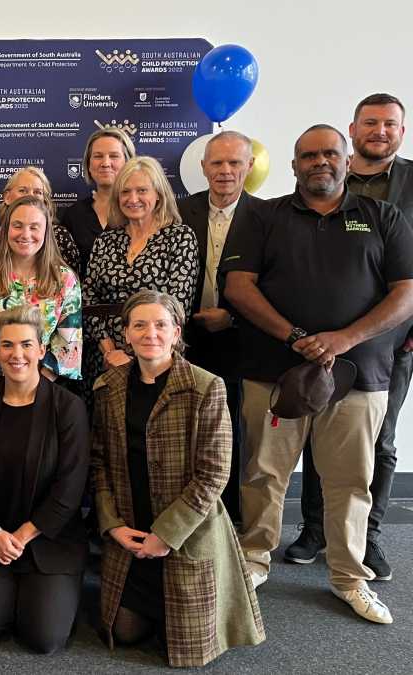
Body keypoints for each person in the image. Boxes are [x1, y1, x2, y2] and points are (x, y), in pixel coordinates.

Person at [224, 124, 413, 624]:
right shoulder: (264, 217)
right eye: (308, 156)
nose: (319, 162)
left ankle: (349, 577)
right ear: (293, 166)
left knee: (351, 480)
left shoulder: (383, 217)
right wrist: (294, 336)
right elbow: (239, 288)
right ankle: (254, 558)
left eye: (330, 153)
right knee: (263, 473)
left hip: (360, 374)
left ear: (347, 161)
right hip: (275, 373)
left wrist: (343, 339)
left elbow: (406, 294)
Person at [91, 290, 264, 667]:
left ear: (176, 332)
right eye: (139, 325)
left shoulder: (206, 387)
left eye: (160, 324)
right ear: (126, 333)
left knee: (183, 648)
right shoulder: (108, 388)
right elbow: (99, 464)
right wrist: (112, 525)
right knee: (124, 632)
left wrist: (166, 535)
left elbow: (213, 475)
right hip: (131, 529)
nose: (149, 333)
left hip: (186, 533)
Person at [292, 94, 413, 580]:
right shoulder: (319, 182)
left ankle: (368, 538)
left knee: (378, 441)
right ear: (352, 130)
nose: (379, 131)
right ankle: (315, 530)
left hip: (393, 340)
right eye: (370, 123)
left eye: (389, 124)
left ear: (400, 132)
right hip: (323, 338)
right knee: (319, 432)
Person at [0, 306, 88, 654]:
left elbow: (70, 488)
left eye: (26, 345)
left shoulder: (68, 407)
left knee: (43, 638)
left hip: (49, 538)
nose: (17, 355)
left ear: (42, 350)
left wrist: (19, 537)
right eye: (7, 345)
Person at [176, 130, 263, 524]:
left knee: (233, 428)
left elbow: (274, 283)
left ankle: (229, 515)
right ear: (203, 168)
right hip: (187, 339)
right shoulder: (180, 211)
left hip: (242, 339)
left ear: (249, 166)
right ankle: (186, 509)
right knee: (186, 426)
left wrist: (232, 315)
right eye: (217, 163)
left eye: (234, 163)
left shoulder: (267, 216)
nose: (225, 171)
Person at [82, 156, 198, 387]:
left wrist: (136, 357)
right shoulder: (106, 240)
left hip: (158, 357)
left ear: (158, 194)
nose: (133, 199)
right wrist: (108, 350)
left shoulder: (180, 237)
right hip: (105, 359)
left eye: (142, 190)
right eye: (125, 192)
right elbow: (88, 298)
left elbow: (177, 306)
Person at [0, 196, 81, 385]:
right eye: (17, 226)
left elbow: (69, 341)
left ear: (46, 232)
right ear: (6, 229)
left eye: (34, 227)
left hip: (47, 385)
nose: (25, 234)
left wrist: (39, 388)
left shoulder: (64, 279)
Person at [60, 127, 136, 278]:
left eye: (114, 156)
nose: (105, 163)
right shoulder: (74, 215)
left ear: (128, 162)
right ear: (88, 164)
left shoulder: (139, 210)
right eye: (98, 156)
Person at [0, 167, 81, 272]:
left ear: (45, 200)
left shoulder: (61, 237)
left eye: (37, 192)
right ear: (7, 197)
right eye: (22, 190)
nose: (30, 196)